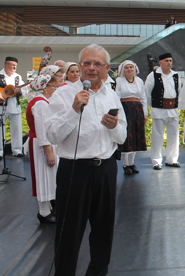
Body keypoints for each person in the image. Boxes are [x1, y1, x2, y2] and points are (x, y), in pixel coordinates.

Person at [45, 44, 127, 276]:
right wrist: (73, 110)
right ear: (79, 66)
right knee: (68, 233)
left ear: (107, 68)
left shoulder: (112, 94)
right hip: (75, 171)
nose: (92, 68)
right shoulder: (63, 94)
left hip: (106, 169)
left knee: (103, 232)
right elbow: (52, 135)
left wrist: (114, 127)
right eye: (87, 63)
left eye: (97, 64)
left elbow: (122, 136)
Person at [25, 74, 58, 224]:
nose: (55, 89)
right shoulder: (40, 104)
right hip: (41, 144)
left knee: (47, 175)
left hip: (41, 142)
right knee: (43, 175)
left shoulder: (41, 101)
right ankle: (43, 211)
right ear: (44, 89)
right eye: (53, 87)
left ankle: (48, 208)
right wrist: (49, 152)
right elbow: (41, 129)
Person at [145, 53, 181, 169]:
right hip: (159, 110)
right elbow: (147, 92)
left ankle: (172, 159)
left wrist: (177, 105)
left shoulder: (175, 75)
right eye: (166, 61)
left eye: (170, 60)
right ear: (160, 63)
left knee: (174, 136)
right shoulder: (153, 75)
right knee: (157, 136)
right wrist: (154, 105)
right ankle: (156, 161)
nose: (169, 63)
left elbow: (178, 91)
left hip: (173, 110)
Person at [116, 60, 148, 174]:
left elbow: (143, 98)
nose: (129, 69)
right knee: (127, 135)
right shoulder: (119, 81)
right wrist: (119, 113)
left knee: (135, 135)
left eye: (131, 67)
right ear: (123, 70)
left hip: (137, 109)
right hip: (125, 109)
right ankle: (125, 164)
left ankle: (132, 163)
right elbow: (117, 97)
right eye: (127, 68)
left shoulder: (139, 81)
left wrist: (145, 113)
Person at [0, 56, 28, 158]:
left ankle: (17, 150)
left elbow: (24, 90)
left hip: (15, 106)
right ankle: (0, 151)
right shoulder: (0, 75)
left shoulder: (17, 77)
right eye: (12, 65)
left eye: (15, 66)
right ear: (6, 64)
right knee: (0, 130)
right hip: (2, 107)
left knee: (17, 129)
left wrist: (19, 91)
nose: (14, 67)